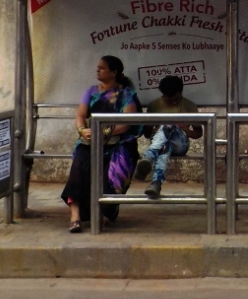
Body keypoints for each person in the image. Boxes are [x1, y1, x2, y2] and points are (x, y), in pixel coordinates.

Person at [61, 56, 142, 232]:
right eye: (98, 67)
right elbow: (80, 115)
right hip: (90, 142)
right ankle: (75, 216)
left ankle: (104, 212)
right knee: (78, 169)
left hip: (118, 143)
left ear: (114, 72)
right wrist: (83, 130)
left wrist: (104, 132)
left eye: (102, 68)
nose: (98, 70)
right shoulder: (91, 91)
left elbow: (127, 123)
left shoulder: (126, 94)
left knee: (114, 173)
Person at [134, 75, 202, 199]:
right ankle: (156, 183)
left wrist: (187, 131)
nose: (172, 102)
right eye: (168, 99)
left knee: (169, 124)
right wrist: (154, 128)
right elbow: (147, 134)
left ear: (180, 93)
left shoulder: (189, 105)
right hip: (161, 144)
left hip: (180, 144)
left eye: (175, 100)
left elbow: (198, 133)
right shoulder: (153, 105)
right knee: (165, 146)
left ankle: (148, 157)